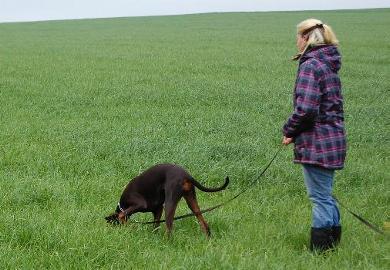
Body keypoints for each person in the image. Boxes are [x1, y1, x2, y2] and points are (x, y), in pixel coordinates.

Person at [282, 18, 346, 252]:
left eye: (298, 36)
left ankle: (320, 252)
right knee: (326, 195)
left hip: (318, 142)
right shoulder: (328, 62)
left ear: (307, 38)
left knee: (320, 198)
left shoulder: (311, 65)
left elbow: (307, 109)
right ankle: (333, 245)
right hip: (332, 139)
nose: (296, 41)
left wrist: (289, 130)